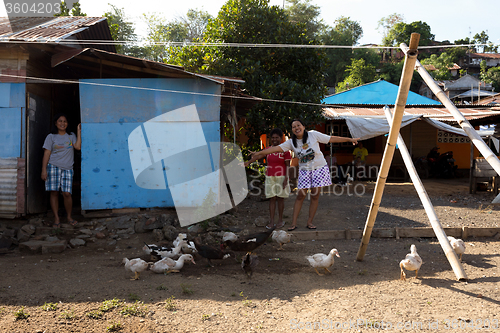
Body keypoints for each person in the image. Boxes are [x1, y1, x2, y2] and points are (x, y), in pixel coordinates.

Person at [245, 119, 359, 230]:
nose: (296, 128)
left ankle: (310, 222)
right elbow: (274, 149)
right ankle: (293, 223)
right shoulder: (290, 142)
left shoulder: (313, 135)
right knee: (300, 196)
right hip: (305, 171)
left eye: (298, 125)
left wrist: (349, 139)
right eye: (294, 127)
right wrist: (258, 153)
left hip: (319, 168)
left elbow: (331, 138)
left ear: (303, 127)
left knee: (315, 195)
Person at [41, 113, 81, 227]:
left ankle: (69, 217)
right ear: (55, 123)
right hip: (53, 166)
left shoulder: (71, 135)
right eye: (60, 121)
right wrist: (44, 170)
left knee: (67, 193)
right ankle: (57, 218)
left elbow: (78, 147)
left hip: (68, 168)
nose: (62, 123)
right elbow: (46, 153)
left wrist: (78, 131)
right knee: (54, 192)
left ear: (67, 124)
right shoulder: (51, 137)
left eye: (65, 121)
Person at [263, 128, 291, 229]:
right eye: (273, 138)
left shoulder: (285, 150)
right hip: (270, 177)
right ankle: (271, 222)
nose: (274, 139)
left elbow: (288, 165)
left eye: (277, 138)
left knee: (280, 199)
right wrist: (248, 162)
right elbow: (259, 157)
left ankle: (280, 220)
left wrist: (286, 179)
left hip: (281, 176)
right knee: (272, 199)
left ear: (281, 138)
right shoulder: (267, 150)